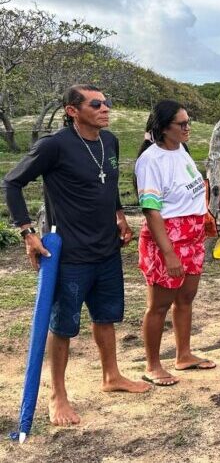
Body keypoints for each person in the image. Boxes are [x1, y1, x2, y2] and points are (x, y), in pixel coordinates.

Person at [2, 84, 149, 426]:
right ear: (72, 110)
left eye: (107, 102)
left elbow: (107, 184)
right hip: (69, 255)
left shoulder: (109, 141)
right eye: (96, 104)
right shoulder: (54, 146)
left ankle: (112, 376)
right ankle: (58, 396)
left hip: (107, 250)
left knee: (106, 316)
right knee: (63, 326)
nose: (105, 108)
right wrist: (27, 232)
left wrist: (120, 216)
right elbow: (12, 182)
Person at [134, 100, 215, 387]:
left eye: (187, 122)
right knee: (159, 305)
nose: (187, 128)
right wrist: (168, 253)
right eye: (181, 124)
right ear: (163, 127)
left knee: (185, 298)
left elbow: (193, 189)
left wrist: (204, 218)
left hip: (192, 233)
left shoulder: (181, 150)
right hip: (167, 236)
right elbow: (151, 210)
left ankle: (184, 354)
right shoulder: (150, 161)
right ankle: (152, 364)